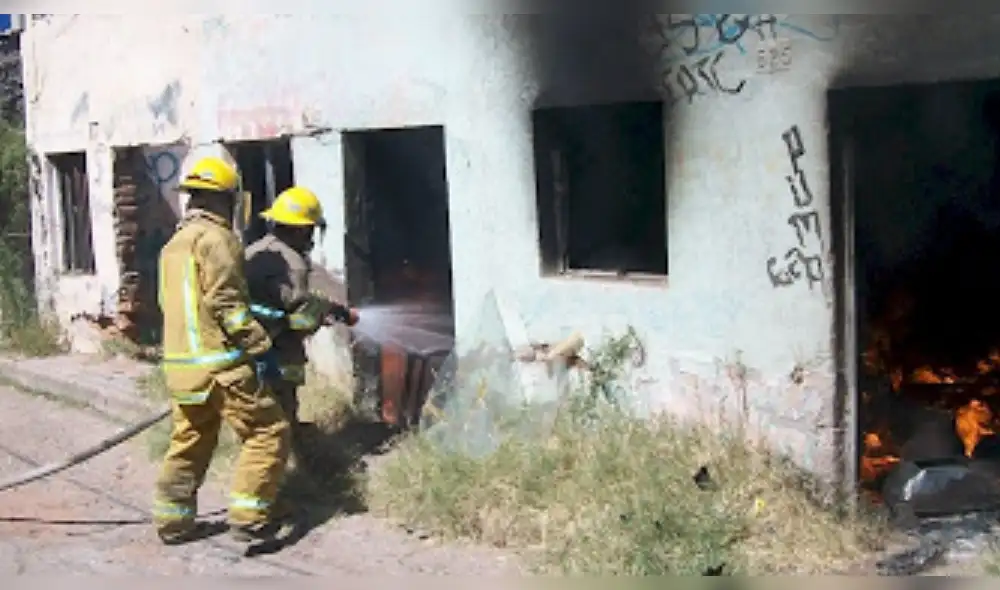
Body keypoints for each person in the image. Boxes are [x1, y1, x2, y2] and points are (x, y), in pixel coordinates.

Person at [152, 156, 290, 546]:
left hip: (182, 368)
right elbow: (227, 305)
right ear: (227, 199)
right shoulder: (217, 240)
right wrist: (260, 346)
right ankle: (249, 518)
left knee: (190, 441)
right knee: (268, 431)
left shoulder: (173, 245)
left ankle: (173, 523)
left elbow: (174, 305)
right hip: (220, 365)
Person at [244, 186, 358, 473]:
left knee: (257, 420)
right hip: (277, 354)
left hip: (248, 349)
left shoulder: (254, 250)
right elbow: (298, 318)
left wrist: (328, 308)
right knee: (279, 421)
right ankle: (279, 480)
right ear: (299, 229)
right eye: (310, 231)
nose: (310, 239)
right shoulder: (293, 263)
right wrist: (324, 316)